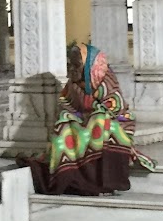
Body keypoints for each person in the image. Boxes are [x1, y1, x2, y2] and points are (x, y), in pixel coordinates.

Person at [22, 43, 155, 196]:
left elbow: (115, 109)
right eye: (70, 64)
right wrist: (74, 116)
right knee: (64, 124)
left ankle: (103, 180)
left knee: (99, 120)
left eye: (76, 65)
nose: (71, 69)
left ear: (87, 65)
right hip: (82, 123)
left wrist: (91, 115)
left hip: (114, 122)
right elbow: (67, 105)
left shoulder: (105, 79)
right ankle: (70, 177)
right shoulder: (73, 84)